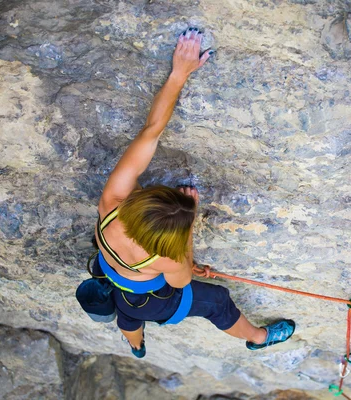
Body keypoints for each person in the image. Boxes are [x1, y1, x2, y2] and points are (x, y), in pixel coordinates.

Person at [93, 27, 295, 358]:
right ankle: (259, 338)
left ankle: (136, 345)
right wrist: (189, 232)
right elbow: (180, 280)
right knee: (217, 302)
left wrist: (178, 74)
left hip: (113, 273)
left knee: (127, 313)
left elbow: (151, 132)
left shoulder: (111, 201)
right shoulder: (166, 257)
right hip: (153, 298)